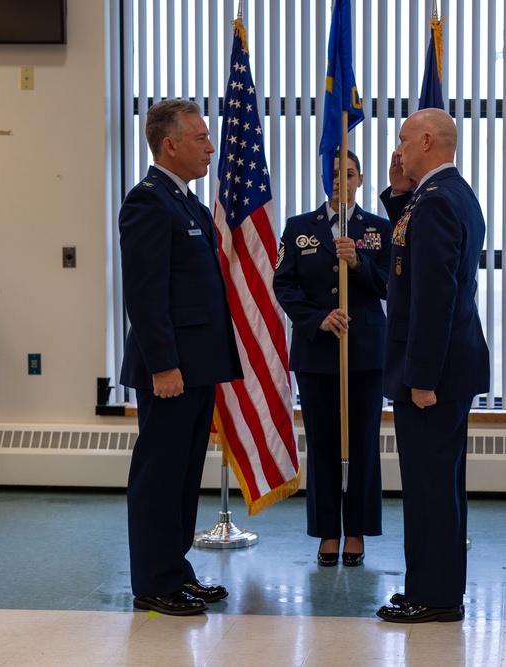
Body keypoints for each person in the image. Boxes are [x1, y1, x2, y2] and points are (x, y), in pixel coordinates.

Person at [119, 98, 243, 616]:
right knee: (160, 477)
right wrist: (164, 364)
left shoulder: (187, 202)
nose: (210, 147)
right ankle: (153, 582)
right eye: (200, 138)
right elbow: (145, 293)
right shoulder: (148, 201)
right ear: (169, 145)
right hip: (170, 369)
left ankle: (175, 569)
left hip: (197, 365)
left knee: (184, 475)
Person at [375, 108, 490, 624]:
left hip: (434, 372)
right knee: (435, 484)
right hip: (446, 365)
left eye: (402, 140)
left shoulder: (439, 202)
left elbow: (433, 297)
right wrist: (398, 190)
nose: (397, 149)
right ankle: (430, 586)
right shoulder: (443, 195)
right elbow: (409, 257)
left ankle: (436, 596)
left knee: (430, 488)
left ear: (426, 139)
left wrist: (421, 375)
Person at [273, 150, 390, 567]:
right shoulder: (300, 228)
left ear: (361, 180)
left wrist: (358, 263)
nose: (341, 181)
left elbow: (392, 286)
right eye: (335, 174)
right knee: (322, 444)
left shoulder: (377, 228)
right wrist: (317, 318)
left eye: (350, 174)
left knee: (361, 445)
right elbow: (283, 284)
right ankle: (327, 531)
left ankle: (356, 530)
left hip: (365, 352)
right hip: (317, 351)